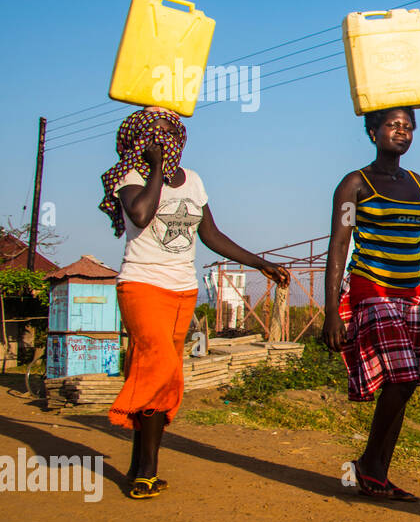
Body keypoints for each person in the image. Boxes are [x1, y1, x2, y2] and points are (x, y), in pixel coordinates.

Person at [99, 106, 289, 499]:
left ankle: (139, 463)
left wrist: (261, 263)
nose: (165, 140)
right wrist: (154, 168)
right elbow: (139, 214)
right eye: (155, 133)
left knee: (159, 371)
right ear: (139, 140)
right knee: (161, 367)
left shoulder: (195, 181)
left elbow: (211, 234)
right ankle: (146, 471)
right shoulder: (130, 177)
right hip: (142, 285)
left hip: (182, 290)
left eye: (171, 132)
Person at [322, 106, 420, 501]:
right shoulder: (355, 184)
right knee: (401, 378)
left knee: (409, 381)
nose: (402, 132)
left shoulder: (417, 183)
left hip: (410, 296)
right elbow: (338, 245)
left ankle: (375, 471)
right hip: (373, 290)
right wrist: (331, 310)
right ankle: (369, 465)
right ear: (372, 131)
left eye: (408, 127)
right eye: (392, 125)